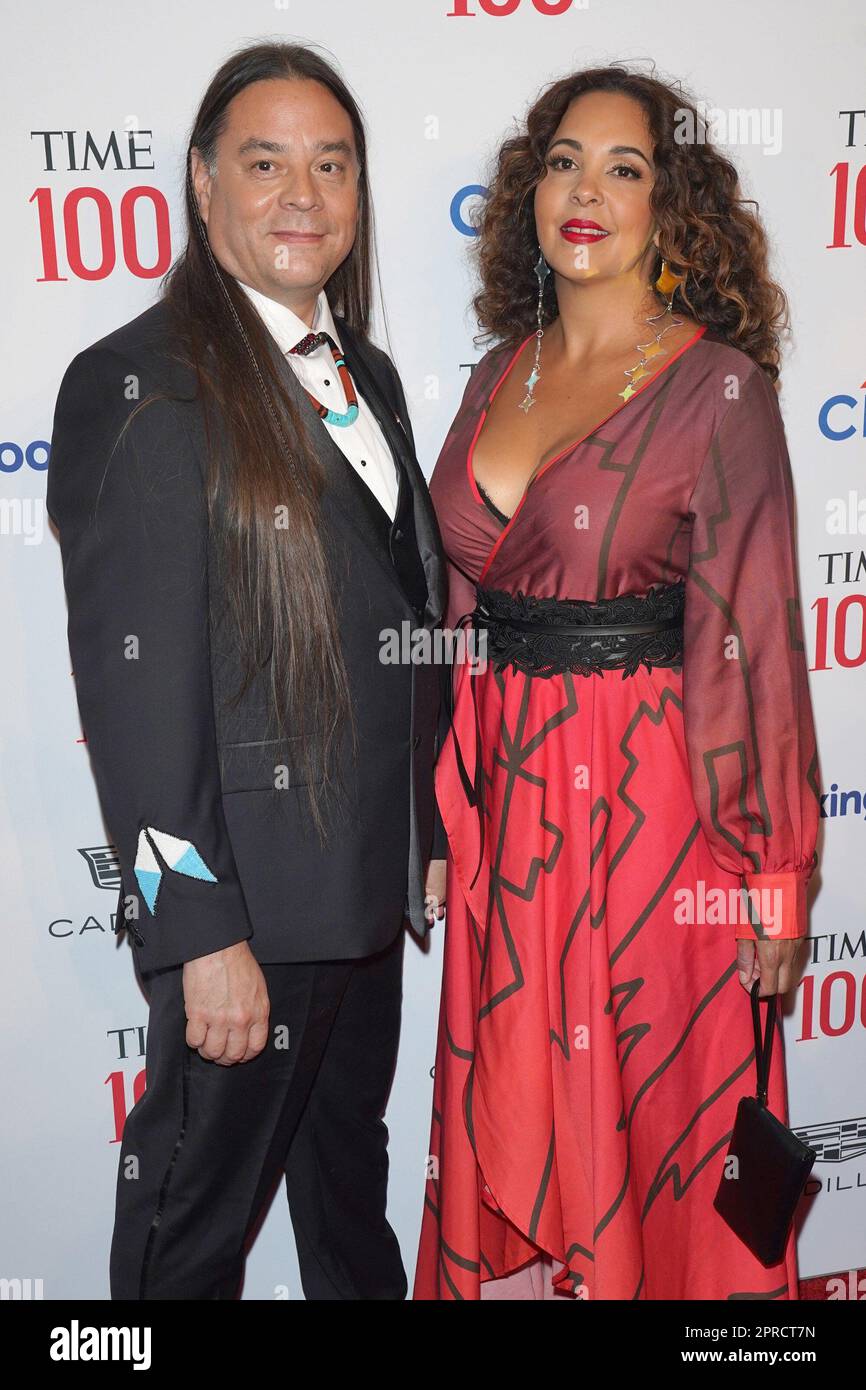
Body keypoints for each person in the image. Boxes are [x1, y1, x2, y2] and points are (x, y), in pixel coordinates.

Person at [47, 41, 448, 1301]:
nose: (302, 194)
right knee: (186, 1239)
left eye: (330, 165)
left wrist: (417, 826)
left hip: (360, 899)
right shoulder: (140, 381)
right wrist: (197, 929)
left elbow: (395, 617)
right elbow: (133, 692)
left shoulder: (366, 374)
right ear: (202, 186)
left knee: (349, 1201)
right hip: (248, 923)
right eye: (264, 161)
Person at [413, 65, 821, 1300]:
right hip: (510, 821)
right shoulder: (497, 373)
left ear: (669, 203)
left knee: (651, 1132)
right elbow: (455, 609)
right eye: (561, 162)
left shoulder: (717, 387)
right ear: (530, 196)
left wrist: (771, 874)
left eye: (623, 167)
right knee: (518, 1110)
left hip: (654, 830)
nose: (584, 191)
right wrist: (441, 810)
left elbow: (753, 639)